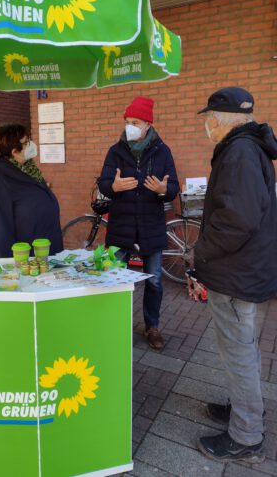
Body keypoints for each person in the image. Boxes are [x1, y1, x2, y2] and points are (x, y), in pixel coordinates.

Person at [193, 87, 277, 464]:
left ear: (221, 120)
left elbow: (236, 219)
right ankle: (246, 411)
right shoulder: (247, 148)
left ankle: (246, 437)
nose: (206, 125)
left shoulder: (239, 153)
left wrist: (202, 252)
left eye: (208, 118)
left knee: (239, 354)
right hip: (248, 270)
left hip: (237, 273)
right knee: (244, 351)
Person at [98, 97, 179, 350]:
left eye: (134, 122)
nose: (129, 126)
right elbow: (103, 182)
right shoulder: (115, 151)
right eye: (127, 122)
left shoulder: (162, 151)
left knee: (154, 280)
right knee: (115, 279)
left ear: (147, 124)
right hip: (120, 224)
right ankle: (115, 324)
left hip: (150, 225)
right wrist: (113, 186)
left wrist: (164, 189)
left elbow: (173, 187)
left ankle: (151, 326)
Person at [0, 123, 63, 258]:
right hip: (25, 265)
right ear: (13, 151)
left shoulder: (28, 170)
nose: (31, 144)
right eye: (26, 142)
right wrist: (9, 272)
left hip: (45, 257)